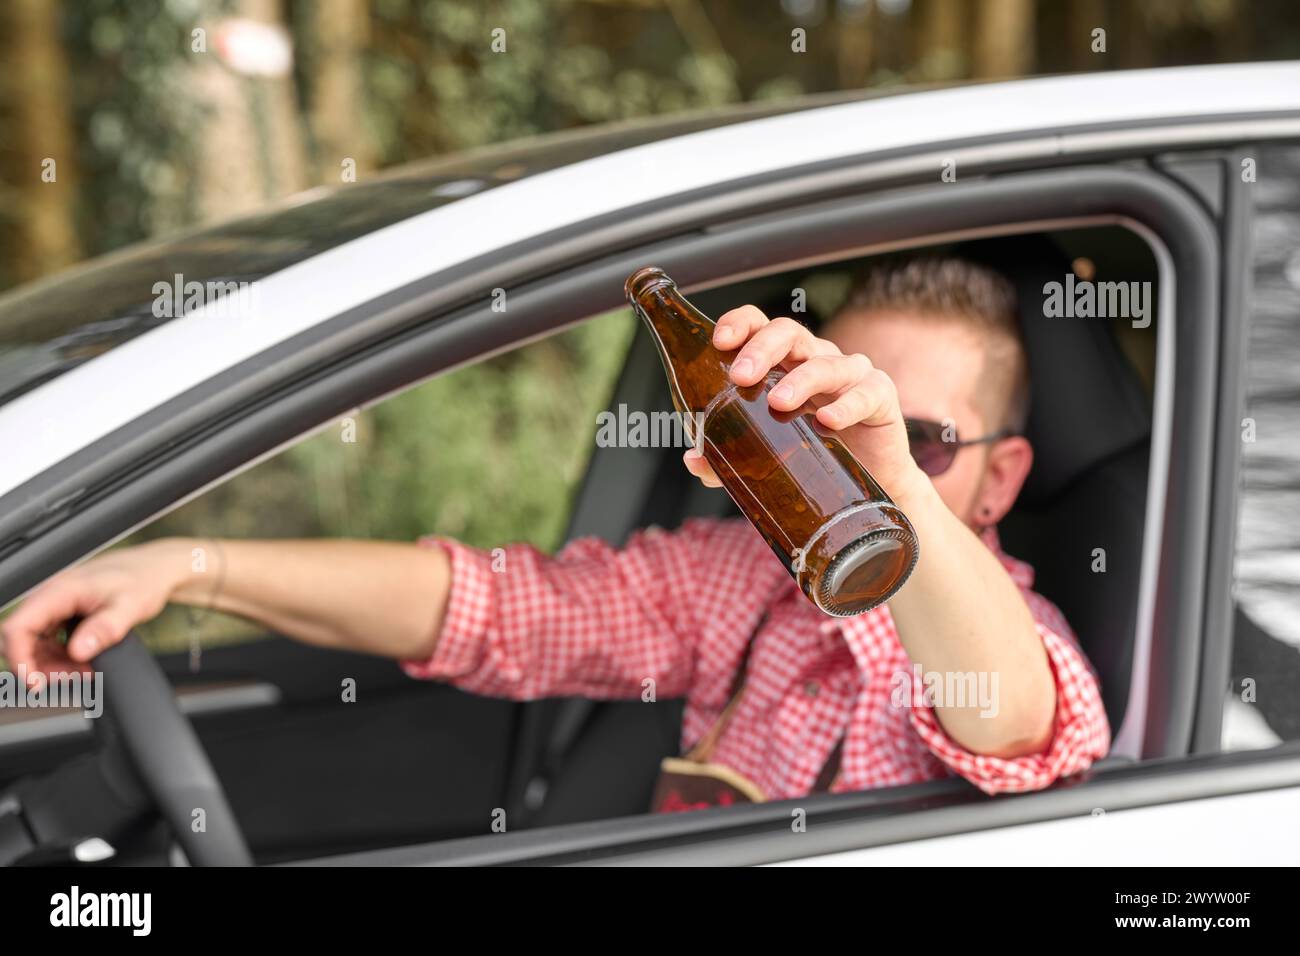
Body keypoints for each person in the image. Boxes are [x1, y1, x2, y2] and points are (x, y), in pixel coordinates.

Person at [1, 256, 1110, 807]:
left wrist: (891, 493)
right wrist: (194, 563)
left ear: (1001, 475)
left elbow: (1013, 720)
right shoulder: (738, 579)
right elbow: (487, 605)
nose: (853, 456)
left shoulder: (1012, 636)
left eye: (921, 439)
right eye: (830, 422)